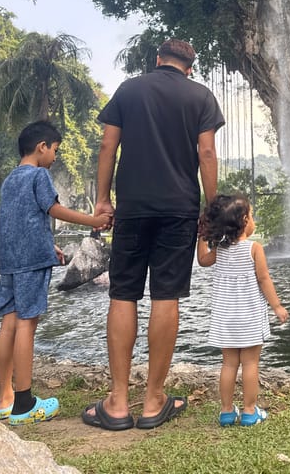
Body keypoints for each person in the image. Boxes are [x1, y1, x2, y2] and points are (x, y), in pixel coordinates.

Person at [83, 39, 224, 431]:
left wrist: (103, 200)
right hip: (179, 210)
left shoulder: (129, 89)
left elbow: (108, 145)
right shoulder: (200, 96)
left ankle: (117, 402)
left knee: (123, 294)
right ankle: (153, 400)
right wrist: (211, 209)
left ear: (158, 60)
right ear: (190, 68)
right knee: (166, 296)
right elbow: (207, 154)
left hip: (132, 207)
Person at [0, 120, 111, 426]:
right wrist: (93, 221)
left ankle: (5, 399)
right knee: (27, 324)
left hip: (11, 260)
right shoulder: (39, 175)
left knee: (9, 324)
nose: (55, 157)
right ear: (41, 147)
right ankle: (24, 404)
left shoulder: (11, 179)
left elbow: (17, 220)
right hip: (30, 262)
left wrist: (48, 244)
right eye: (55, 150)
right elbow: (53, 210)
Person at [197, 193, 289, 427]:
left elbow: (202, 260)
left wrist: (201, 236)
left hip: (226, 319)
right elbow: (264, 279)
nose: (253, 220)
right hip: (249, 318)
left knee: (228, 364)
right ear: (245, 220)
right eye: (252, 215)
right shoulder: (254, 249)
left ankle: (227, 412)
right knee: (250, 364)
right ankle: (249, 412)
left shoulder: (220, 250)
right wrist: (277, 306)